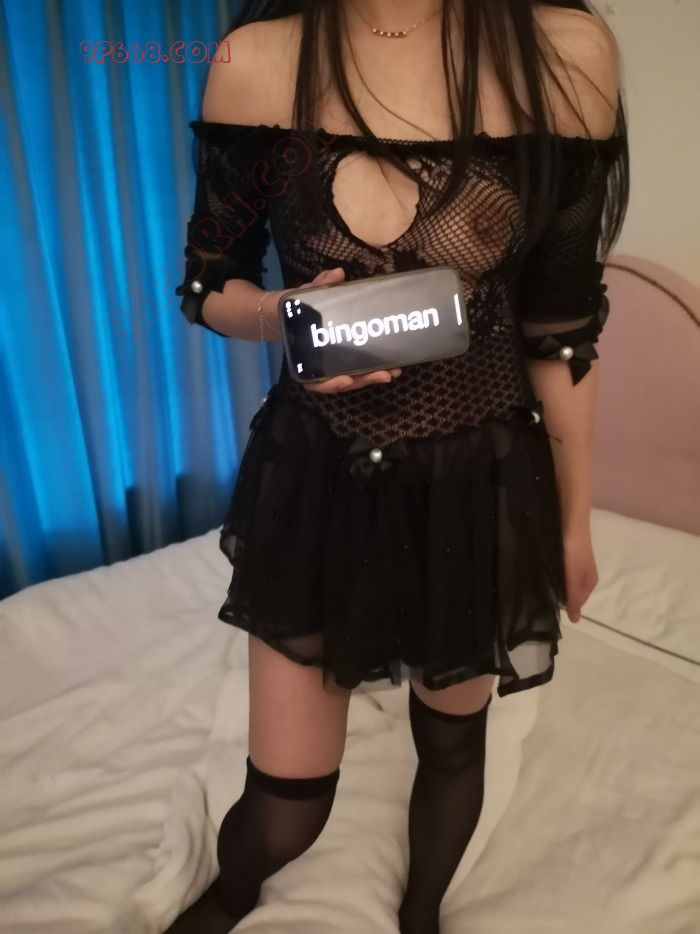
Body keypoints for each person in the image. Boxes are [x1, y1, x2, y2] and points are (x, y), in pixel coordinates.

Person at [168, 1, 629, 931]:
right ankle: (230, 893)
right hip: (315, 478)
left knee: (452, 745)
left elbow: (559, 329)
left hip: (478, 481)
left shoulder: (563, 54)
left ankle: (421, 915)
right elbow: (210, 281)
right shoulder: (257, 60)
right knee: (287, 806)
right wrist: (281, 318)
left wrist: (572, 525)